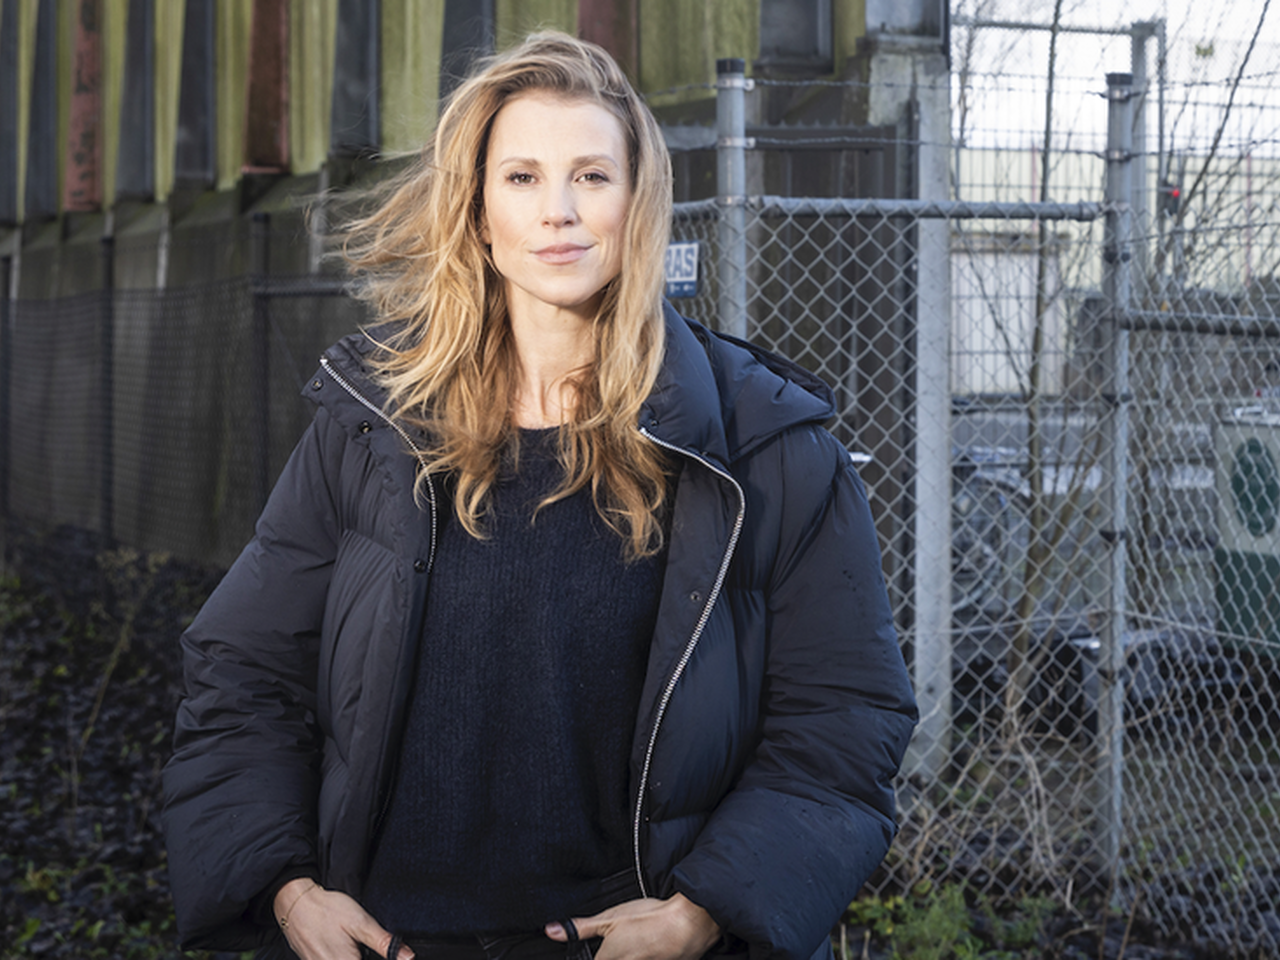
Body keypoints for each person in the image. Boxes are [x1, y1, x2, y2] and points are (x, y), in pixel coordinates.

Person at [161, 31, 917, 960]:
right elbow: (242, 673)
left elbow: (842, 719)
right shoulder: (371, 427)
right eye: (522, 177)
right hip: (386, 938)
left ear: (638, 202)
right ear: (479, 212)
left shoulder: (762, 448)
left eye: (592, 177)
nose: (559, 210)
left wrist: (702, 910)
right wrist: (287, 891)